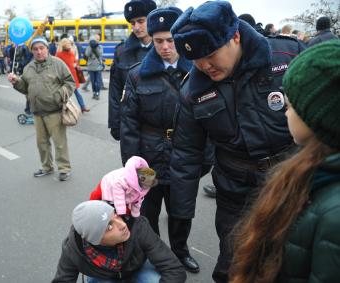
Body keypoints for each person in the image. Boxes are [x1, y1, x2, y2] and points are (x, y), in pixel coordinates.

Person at [170, 2, 305, 282]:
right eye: (195, 59)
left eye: (210, 54)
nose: (204, 66)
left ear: (235, 36)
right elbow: (186, 153)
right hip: (235, 190)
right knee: (233, 265)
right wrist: (181, 214)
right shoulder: (193, 90)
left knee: (293, 260)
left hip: (295, 179)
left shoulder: (288, 55)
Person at [229, 40, 340, 283]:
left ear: (318, 113)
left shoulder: (333, 212)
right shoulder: (312, 170)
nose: (285, 111)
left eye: (291, 105)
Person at [120, 6, 213, 273]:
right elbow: (130, 125)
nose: (164, 46)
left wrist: (206, 159)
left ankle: (181, 251)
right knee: (148, 210)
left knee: (181, 209)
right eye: (158, 40)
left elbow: (209, 120)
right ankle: (156, 254)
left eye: (170, 40)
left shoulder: (199, 72)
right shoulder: (138, 74)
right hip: (149, 157)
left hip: (185, 155)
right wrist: (133, 166)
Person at [52, 200, 187, 283]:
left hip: (138, 269)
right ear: (95, 239)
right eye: (109, 226)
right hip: (103, 277)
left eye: (116, 215)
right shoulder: (72, 250)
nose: (122, 225)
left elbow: (174, 268)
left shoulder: (138, 226)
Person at [8, 36, 75, 181]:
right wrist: (16, 82)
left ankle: (64, 168)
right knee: (42, 143)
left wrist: (58, 96)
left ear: (46, 49)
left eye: (41, 48)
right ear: (32, 51)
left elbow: (70, 83)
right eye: (35, 49)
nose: (39, 52)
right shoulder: (29, 67)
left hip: (54, 111)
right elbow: (25, 88)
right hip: (37, 112)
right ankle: (47, 167)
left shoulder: (57, 63)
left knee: (59, 143)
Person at [108, 0, 156, 141]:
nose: (136, 27)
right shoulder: (121, 52)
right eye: (133, 23)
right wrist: (115, 123)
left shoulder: (166, 47)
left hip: (160, 127)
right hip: (131, 125)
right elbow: (115, 91)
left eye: (141, 21)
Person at [89, 156, 157, 217]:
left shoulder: (143, 186)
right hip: (108, 182)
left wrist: (135, 214)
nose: (154, 182)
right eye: (152, 180)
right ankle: (89, 208)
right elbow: (119, 196)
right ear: (142, 179)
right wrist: (121, 212)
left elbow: (137, 201)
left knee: (127, 211)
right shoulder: (122, 181)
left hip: (125, 191)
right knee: (97, 195)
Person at [56, 38, 90, 113]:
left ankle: (83, 107)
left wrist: (76, 65)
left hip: (73, 76)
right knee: (66, 94)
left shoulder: (71, 53)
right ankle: (63, 108)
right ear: (64, 45)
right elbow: (57, 65)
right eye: (68, 44)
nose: (70, 45)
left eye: (70, 44)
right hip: (65, 76)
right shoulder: (59, 54)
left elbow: (74, 61)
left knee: (77, 93)